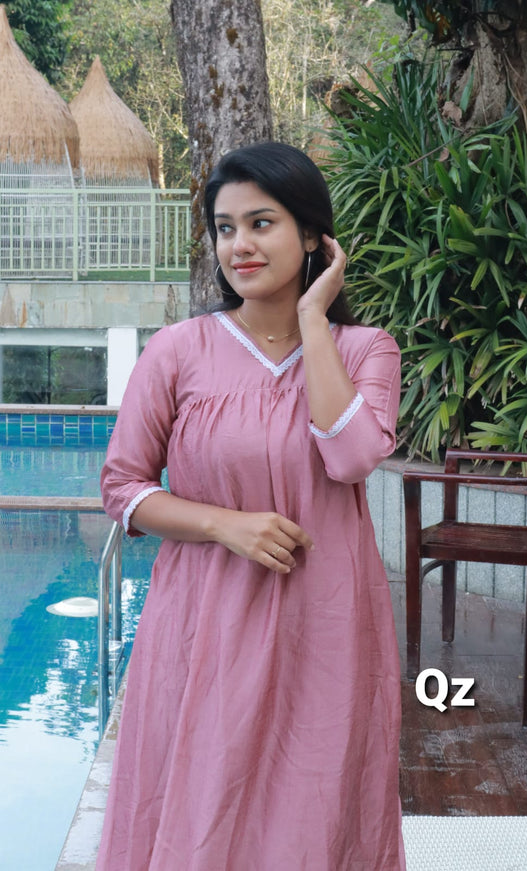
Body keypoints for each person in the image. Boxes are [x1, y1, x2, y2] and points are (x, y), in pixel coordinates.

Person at [96, 141, 405, 870]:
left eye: (261, 223)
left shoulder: (366, 350)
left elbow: (351, 456)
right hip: (204, 619)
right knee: (204, 801)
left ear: (312, 234)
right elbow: (123, 488)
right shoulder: (178, 351)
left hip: (324, 620)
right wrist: (223, 525)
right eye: (225, 227)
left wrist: (313, 319)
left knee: (314, 801)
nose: (239, 245)